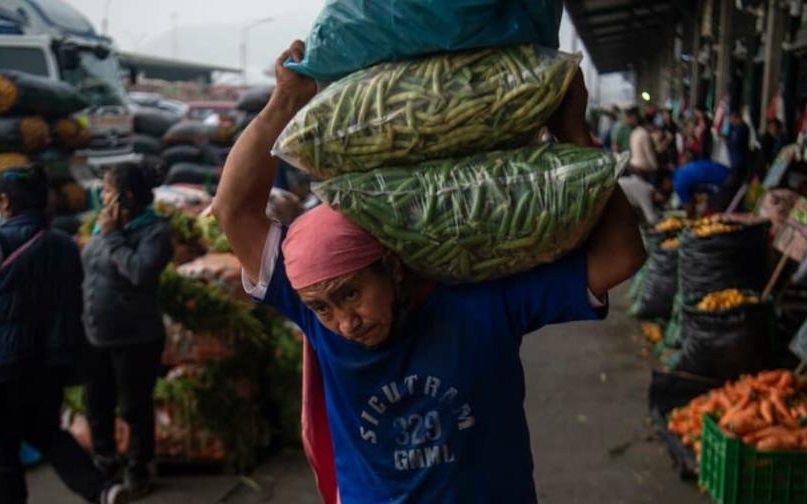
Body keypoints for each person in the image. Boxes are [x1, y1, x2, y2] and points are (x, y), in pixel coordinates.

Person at [213, 40, 646, 504]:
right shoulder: (320, 322)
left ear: (393, 267)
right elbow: (231, 211)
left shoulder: (481, 302)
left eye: (351, 293)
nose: (345, 321)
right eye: (321, 307)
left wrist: (574, 134)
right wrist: (286, 101)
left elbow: (623, 257)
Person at [0, 165, 128, 504]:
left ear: (3, 202)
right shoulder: (63, 244)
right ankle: (102, 489)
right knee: (46, 432)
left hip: (1, 366)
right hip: (49, 361)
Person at [82, 163, 173, 498]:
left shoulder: (155, 232)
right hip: (95, 335)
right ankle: (105, 461)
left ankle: (139, 466)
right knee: (97, 403)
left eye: (107, 190)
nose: (102, 197)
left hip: (136, 338)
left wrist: (113, 236)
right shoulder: (102, 228)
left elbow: (140, 272)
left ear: (128, 197)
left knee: (134, 406)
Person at [628, 107, 659, 181]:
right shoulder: (644, 134)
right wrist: (656, 167)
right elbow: (648, 152)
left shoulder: (634, 132)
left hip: (633, 164)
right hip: (642, 167)